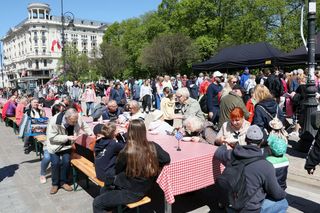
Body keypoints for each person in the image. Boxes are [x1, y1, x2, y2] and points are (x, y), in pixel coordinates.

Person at [92, 119, 170, 212]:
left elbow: (118, 169)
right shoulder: (153, 146)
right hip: (144, 186)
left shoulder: (127, 150)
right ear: (144, 131)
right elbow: (166, 159)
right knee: (104, 191)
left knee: (97, 203)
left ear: (129, 132)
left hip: (131, 191)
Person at [214, 125, 288, 213]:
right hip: (250, 210)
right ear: (262, 142)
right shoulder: (266, 165)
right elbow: (277, 194)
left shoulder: (233, 154)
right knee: (283, 202)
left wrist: (224, 143)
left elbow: (218, 152)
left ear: (245, 139)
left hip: (229, 206)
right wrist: (284, 194)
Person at [46, 108, 93, 194]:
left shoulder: (77, 118)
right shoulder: (55, 121)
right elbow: (51, 137)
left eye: (76, 120)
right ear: (67, 118)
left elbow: (84, 125)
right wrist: (67, 137)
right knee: (55, 163)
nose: (75, 123)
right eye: (73, 121)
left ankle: (64, 182)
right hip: (54, 146)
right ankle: (55, 184)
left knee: (66, 161)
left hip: (67, 146)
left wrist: (91, 134)